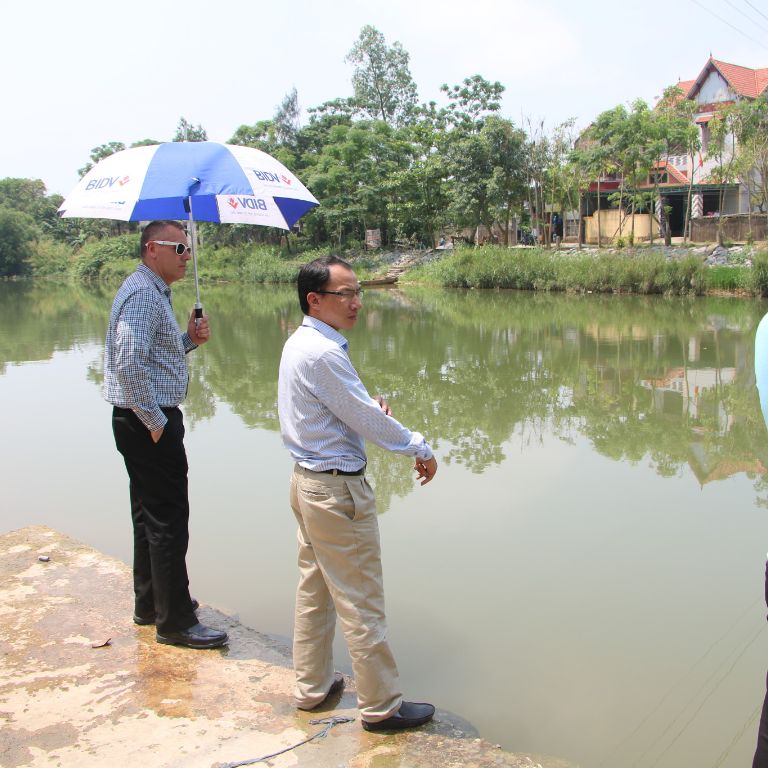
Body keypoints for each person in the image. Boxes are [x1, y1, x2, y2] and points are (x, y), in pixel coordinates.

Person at [277, 255, 438, 731]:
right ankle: (381, 706)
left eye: (358, 292)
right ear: (315, 300)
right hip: (335, 491)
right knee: (360, 597)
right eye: (346, 294)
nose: (357, 303)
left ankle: (312, 687)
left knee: (316, 589)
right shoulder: (323, 352)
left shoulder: (300, 342)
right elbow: (366, 420)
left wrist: (368, 411)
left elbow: (341, 409)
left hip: (307, 482)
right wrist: (417, 447)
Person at [103, 220, 228, 650]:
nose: (186, 256)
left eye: (187, 248)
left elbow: (154, 355)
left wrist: (188, 340)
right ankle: (175, 622)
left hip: (140, 417)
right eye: (179, 248)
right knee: (169, 519)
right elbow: (127, 361)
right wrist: (156, 423)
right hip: (147, 420)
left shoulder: (153, 290)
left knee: (148, 515)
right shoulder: (141, 293)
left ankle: (151, 603)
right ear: (153, 248)